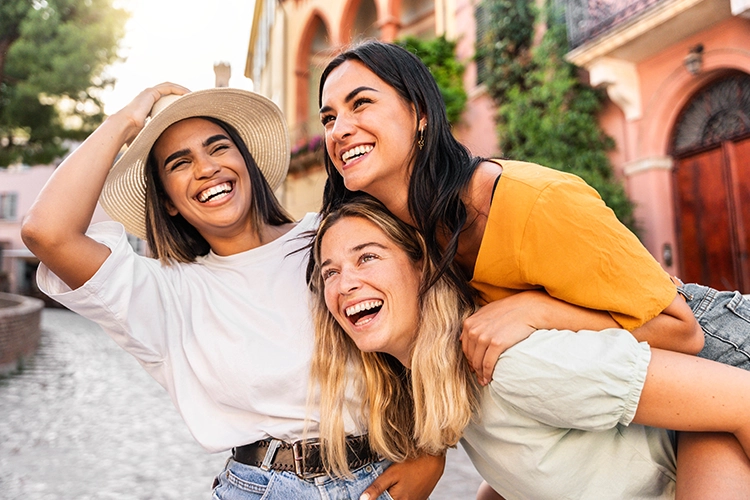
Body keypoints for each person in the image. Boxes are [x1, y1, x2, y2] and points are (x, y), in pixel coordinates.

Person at [316, 40, 750, 496]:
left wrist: (535, 310)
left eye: (360, 102)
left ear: (419, 111)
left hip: (721, 351)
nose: (340, 129)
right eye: (328, 118)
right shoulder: (410, 234)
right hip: (652, 394)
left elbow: (681, 331)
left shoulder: (531, 201)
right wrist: (434, 450)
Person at [20, 83, 444, 499]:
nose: (206, 168)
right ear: (167, 200)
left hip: (380, 476)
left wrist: (433, 449)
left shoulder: (334, 239)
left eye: (218, 147)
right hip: (264, 488)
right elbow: (47, 233)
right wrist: (126, 121)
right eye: (179, 163)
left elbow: (434, 322)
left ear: (247, 162)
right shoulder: (165, 294)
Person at [309, 195, 750, 499]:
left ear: (423, 268)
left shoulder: (510, 365)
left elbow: (740, 400)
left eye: (367, 257)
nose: (345, 283)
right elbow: (536, 458)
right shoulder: (448, 380)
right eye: (330, 272)